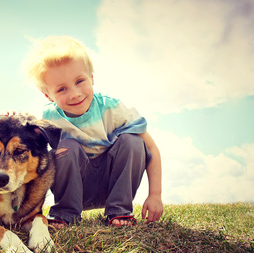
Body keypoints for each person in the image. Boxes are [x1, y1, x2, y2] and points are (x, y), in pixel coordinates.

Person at [23, 36, 163, 228]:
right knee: (67, 147)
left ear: (92, 78)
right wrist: (11, 119)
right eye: (62, 89)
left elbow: (151, 149)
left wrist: (155, 194)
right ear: (48, 95)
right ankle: (65, 213)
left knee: (133, 141)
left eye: (80, 81)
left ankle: (119, 210)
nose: (75, 93)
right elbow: (24, 150)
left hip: (113, 184)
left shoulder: (111, 108)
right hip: (75, 189)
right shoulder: (48, 119)